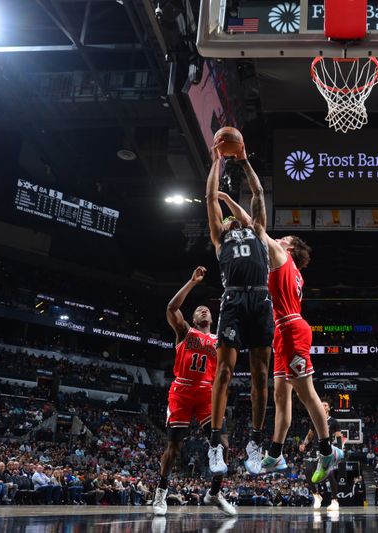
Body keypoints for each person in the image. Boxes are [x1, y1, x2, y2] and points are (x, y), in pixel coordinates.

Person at [217, 191, 344, 482]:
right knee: (280, 396)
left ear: (289, 247)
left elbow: (253, 225)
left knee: (305, 392)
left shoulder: (281, 256)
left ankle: (327, 451)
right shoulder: (292, 271)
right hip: (281, 332)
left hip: (292, 329)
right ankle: (275, 454)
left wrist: (226, 200)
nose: (279, 238)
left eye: (283, 238)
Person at [205, 140, 275, 480]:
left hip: (261, 300)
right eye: (230, 216)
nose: (233, 218)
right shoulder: (220, 236)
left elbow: (259, 193)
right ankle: (216, 443)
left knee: (262, 376)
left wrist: (245, 161)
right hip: (232, 299)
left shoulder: (258, 232)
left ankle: (256, 443)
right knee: (225, 372)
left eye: (236, 215)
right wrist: (216, 162)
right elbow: (209, 199)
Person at [152, 266, 235, 517]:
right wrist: (191, 282)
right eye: (199, 309)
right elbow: (171, 308)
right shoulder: (185, 331)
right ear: (194, 317)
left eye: (207, 309)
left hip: (207, 393)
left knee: (223, 444)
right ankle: (161, 491)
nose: (203, 310)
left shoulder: (220, 339)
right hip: (182, 390)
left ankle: (215, 493)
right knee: (174, 449)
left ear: (212, 317)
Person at [298, 400, 345, 510]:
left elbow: (338, 436)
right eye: (321, 405)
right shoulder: (315, 420)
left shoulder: (334, 422)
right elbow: (310, 435)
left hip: (326, 451)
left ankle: (334, 501)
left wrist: (339, 450)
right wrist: (304, 444)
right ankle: (316, 495)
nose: (323, 406)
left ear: (329, 408)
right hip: (314, 450)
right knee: (308, 470)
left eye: (325, 405)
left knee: (329, 475)